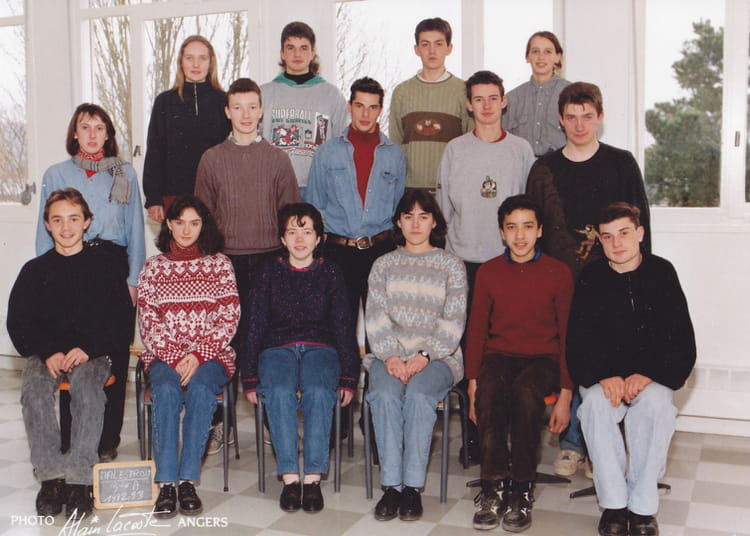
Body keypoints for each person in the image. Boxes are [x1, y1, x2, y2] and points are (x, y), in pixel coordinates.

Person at [526, 81, 651, 479]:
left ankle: (604, 447)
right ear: (560, 120)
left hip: (612, 279)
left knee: (610, 356)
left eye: (587, 116)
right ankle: (573, 444)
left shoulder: (621, 163)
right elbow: (532, 229)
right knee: (574, 355)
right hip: (559, 281)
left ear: (600, 117)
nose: (579, 125)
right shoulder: (544, 169)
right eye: (571, 117)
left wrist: (641, 277)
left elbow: (641, 224)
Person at [567, 202, 695, 536]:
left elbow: (682, 340)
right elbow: (578, 341)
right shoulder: (591, 276)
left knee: (655, 406)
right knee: (595, 407)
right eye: (607, 236)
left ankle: (642, 507)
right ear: (600, 240)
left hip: (650, 376)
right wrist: (603, 374)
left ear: (640, 233)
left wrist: (649, 373)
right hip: (604, 376)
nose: (617, 243)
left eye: (624, 233)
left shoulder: (662, 272)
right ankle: (614, 504)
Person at [9, 189, 133, 519]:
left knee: (88, 390)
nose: (66, 228)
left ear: (87, 222)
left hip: (91, 353)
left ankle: (80, 480)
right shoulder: (34, 271)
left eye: (74, 219)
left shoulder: (106, 268)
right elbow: (18, 322)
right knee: (34, 390)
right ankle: (51, 478)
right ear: (47, 225)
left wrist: (89, 348)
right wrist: (47, 351)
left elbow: (122, 321)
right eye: (58, 220)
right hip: (46, 354)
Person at [35, 103, 145, 462]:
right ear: (75, 133)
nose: (92, 134)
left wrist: (133, 279)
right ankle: (72, 437)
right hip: (70, 263)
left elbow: (135, 229)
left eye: (99, 128)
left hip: (113, 265)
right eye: (85, 127)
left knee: (112, 353)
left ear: (108, 134)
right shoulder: (56, 173)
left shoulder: (124, 173)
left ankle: (107, 438)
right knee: (74, 351)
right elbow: (44, 231)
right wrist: (45, 279)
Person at [195, 77, 300, 454]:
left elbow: (291, 217)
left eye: (252, 107)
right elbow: (203, 219)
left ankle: (274, 422)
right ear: (227, 112)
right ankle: (218, 423)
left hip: (270, 260)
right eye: (237, 107)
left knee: (269, 343)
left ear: (261, 111)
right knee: (223, 344)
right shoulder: (211, 159)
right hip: (225, 264)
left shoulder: (277, 159)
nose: (245, 114)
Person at [436, 70, 534, 462]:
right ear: (469, 105)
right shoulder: (455, 150)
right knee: (468, 351)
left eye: (494, 97)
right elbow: (443, 209)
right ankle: (473, 436)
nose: (487, 105)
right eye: (479, 99)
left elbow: (526, 208)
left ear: (504, 101)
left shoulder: (520, 150)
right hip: (463, 262)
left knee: (505, 350)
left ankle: (503, 435)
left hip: (506, 262)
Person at [241, 203, 359, 514]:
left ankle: (313, 478)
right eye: (292, 232)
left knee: (319, 391)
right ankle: (291, 478)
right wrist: (249, 376)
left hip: (321, 348)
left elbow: (344, 326)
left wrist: (349, 376)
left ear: (319, 238)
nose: (299, 239)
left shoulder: (331, 272)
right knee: (279, 392)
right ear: (282, 238)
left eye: (306, 232)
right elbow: (255, 324)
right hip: (276, 348)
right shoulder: (267, 272)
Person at [466, 195, 573, 532]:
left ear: (540, 230)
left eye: (528, 227)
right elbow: (476, 331)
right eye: (511, 228)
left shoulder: (558, 273)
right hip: (500, 355)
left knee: (526, 393)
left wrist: (566, 394)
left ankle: (522, 488)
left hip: (543, 359)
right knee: (490, 389)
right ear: (502, 232)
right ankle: (493, 484)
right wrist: (473, 384)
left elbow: (568, 337)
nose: (520, 235)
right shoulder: (488, 272)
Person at [364, 190, 467, 522]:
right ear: (398, 222)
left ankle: (412, 487)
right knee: (384, 394)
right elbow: (375, 318)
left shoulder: (451, 265)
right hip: (389, 355)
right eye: (408, 217)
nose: (416, 224)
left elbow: (454, 321)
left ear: (434, 222)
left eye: (423, 217)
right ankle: (392, 486)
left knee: (420, 395)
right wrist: (392, 356)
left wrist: (424, 355)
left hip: (439, 357)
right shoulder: (383, 265)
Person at [137, 194, 240, 518]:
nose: (186, 230)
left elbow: (229, 318)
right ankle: (167, 483)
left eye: (194, 223)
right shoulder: (153, 268)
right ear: (168, 224)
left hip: (211, 356)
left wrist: (197, 355)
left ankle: (187, 481)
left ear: (203, 226)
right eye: (179, 223)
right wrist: (174, 356)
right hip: (164, 356)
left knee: (201, 389)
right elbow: (149, 322)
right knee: (166, 390)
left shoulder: (220, 264)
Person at [305, 76, 406, 324]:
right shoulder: (327, 153)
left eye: (372, 107)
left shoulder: (395, 156)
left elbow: (398, 206)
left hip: (381, 251)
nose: (365, 114)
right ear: (349, 106)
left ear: (380, 110)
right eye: (360, 105)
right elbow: (315, 206)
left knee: (382, 328)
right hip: (338, 253)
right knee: (339, 327)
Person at [142, 35, 230, 223]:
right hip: (174, 196)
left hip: (216, 196)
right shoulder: (165, 102)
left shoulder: (224, 101)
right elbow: (155, 151)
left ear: (211, 63)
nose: (196, 64)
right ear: (181, 62)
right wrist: (153, 198)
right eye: (189, 58)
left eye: (202, 58)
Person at [261, 21, 348, 195]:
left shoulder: (332, 95)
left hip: (318, 187)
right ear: (282, 53)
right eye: (290, 47)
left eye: (303, 48)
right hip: (275, 186)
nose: (297, 54)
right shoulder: (264, 93)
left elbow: (342, 145)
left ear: (312, 53)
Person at [389, 17, 472, 191]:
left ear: (449, 48)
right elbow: (395, 146)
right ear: (416, 49)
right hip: (410, 190)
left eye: (439, 44)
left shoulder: (464, 91)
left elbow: (470, 145)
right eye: (425, 44)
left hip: (450, 189)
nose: (432, 50)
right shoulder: (402, 92)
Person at [504, 31, 570, 156]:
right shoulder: (511, 98)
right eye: (535, 51)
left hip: (561, 166)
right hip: (522, 166)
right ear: (527, 57)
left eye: (547, 52)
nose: (541, 57)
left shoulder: (571, 94)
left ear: (558, 57)